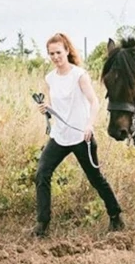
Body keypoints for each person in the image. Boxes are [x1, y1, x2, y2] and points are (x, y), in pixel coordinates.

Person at [33, 33, 124, 237]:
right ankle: (42, 224)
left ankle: (116, 216)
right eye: (51, 54)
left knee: (95, 178)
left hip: (82, 137)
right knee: (42, 173)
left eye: (58, 52)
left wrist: (89, 126)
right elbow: (53, 107)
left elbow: (94, 102)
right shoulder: (49, 78)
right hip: (59, 136)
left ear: (67, 50)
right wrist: (45, 109)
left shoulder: (79, 75)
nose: (55, 57)